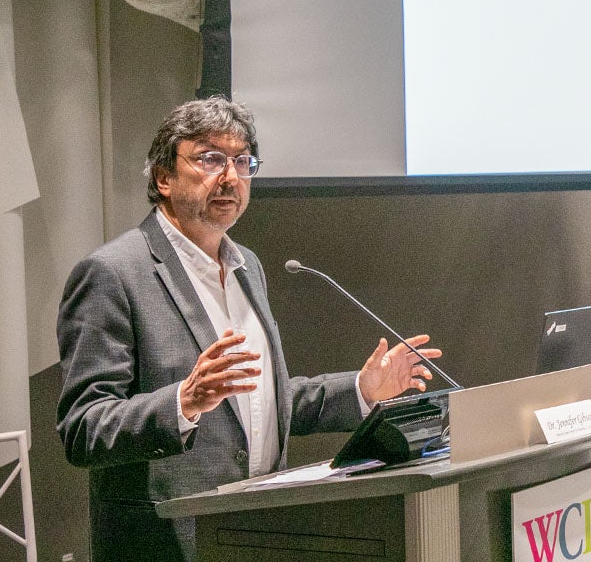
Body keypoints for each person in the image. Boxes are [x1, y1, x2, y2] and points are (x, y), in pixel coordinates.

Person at [56, 96, 442, 562]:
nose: (230, 176)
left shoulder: (247, 268)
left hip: (259, 532)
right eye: (209, 158)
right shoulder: (112, 274)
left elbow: (260, 403)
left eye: (242, 161)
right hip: (166, 544)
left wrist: (362, 390)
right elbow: (84, 427)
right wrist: (183, 402)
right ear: (163, 177)